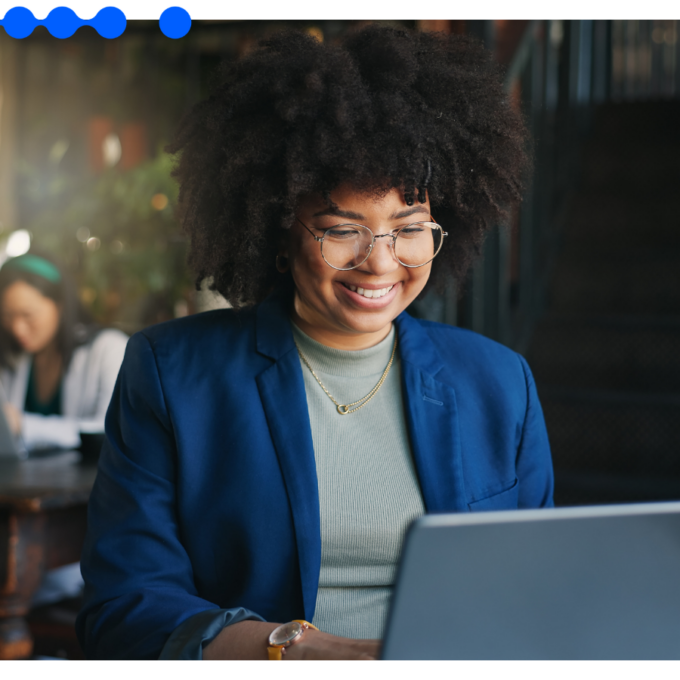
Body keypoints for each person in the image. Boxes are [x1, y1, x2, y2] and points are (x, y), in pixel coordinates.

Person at [76, 26, 553, 660]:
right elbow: (124, 606)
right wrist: (293, 651)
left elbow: (537, 590)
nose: (380, 263)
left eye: (409, 229)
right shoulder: (172, 373)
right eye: (342, 231)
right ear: (277, 229)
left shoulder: (500, 383)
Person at [0, 252, 128, 451]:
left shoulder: (110, 349)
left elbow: (111, 432)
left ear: (60, 305)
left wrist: (22, 425)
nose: (17, 328)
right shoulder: (12, 357)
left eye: (28, 315)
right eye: (7, 316)